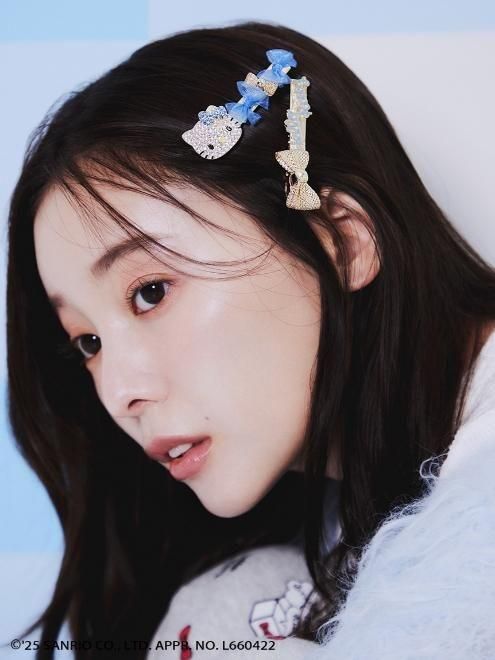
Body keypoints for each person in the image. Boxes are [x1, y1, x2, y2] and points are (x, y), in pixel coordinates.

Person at [5, 20, 495, 660]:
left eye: (150, 292)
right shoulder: (268, 584)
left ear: (341, 242)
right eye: (87, 342)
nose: (120, 392)